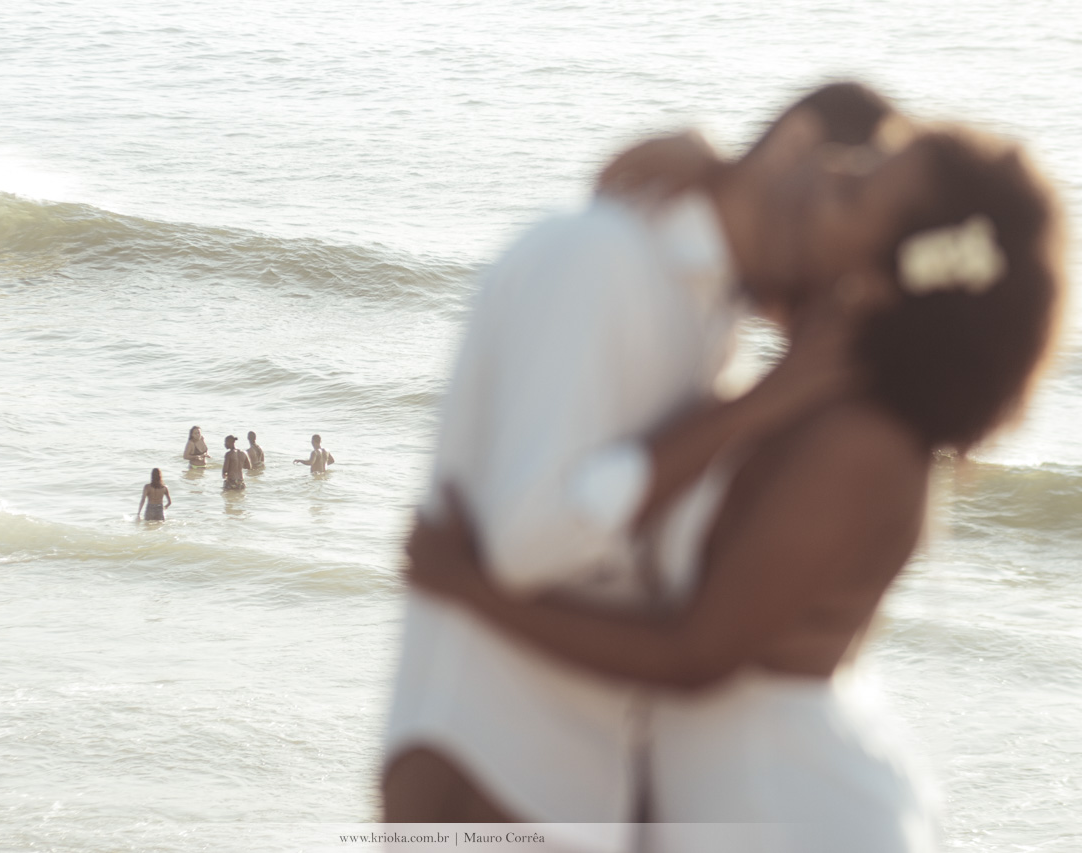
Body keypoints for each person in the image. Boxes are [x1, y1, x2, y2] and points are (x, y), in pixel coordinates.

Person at [406, 125, 1065, 853]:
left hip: (794, 816)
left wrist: (471, 588)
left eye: (856, 189)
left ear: (881, 282)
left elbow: (693, 655)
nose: (834, 165)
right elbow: (748, 256)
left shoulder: (864, 445)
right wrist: (723, 176)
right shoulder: (813, 381)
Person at [382, 82, 906, 831]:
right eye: (846, 197)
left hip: (582, 784)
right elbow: (531, 543)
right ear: (796, 144)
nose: (844, 261)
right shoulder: (602, 259)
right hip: (490, 764)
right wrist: (747, 412)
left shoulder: (714, 321)